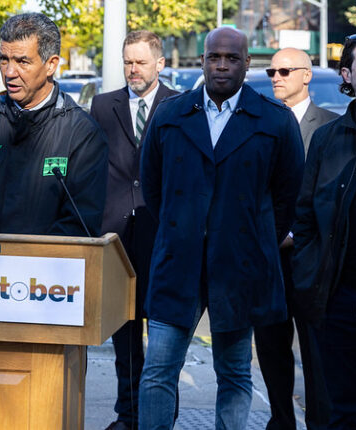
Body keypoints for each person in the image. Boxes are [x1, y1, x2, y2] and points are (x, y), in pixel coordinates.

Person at [138, 27, 304, 429]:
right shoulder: (170, 114)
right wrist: (183, 229)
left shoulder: (275, 119)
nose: (222, 65)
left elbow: (288, 196)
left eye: (232, 58)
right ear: (203, 61)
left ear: (247, 63)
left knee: (234, 373)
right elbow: (153, 186)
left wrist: (253, 238)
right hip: (178, 263)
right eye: (215, 57)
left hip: (240, 267)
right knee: (158, 371)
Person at [292, 33, 356, 429]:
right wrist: (309, 274)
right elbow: (305, 215)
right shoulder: (327, 138)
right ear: (347, 75)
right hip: (338, 294)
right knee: (341, 408)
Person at [0, 12, 108, 237]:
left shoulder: (83, 135)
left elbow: (81, 221)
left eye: (22, 61)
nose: (9, 72)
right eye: (4, 59)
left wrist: (26, 255)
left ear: (51, 64)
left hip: (49, 260)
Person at [90, 29, 177, 430]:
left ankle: (160, 414)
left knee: (162, 336)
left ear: (160, 63)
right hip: (116, 238)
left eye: (141, 62)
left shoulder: (179, 105)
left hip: (162, 237)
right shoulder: (103, 105)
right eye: (128, 62)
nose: (133, 69)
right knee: (124, 333)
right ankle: (128, 414)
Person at [254, 47, 336, 430]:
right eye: (272, 71)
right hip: (268, 257)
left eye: (285, 71)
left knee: (317, 352)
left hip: (312, 258)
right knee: (271, 347)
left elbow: (332, 194)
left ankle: (320, 422)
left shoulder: (330, 126)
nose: (276, 77)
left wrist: (295, 234)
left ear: (307, 75)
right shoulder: (260, 122)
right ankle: (281, 421)